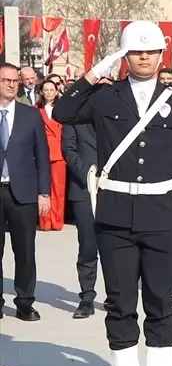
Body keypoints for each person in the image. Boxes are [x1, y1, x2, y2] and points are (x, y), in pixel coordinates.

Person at [53, 21, 172, 366]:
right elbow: (62, 110)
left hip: (163, 215)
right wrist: (94, 73)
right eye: (136, 52)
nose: (145, 57)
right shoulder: (106, 99)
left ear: (161, 56)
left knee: (162, 301)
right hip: (115, 218)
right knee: (121, 302)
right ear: (125, 56)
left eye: (152, 52)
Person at [0, 62, 51, 321]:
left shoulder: (30, 115)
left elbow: (42, 156)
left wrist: (44, 192)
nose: (11, 84)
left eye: (14, 81)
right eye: (5, 80)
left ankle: (24, 301)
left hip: (23, 193)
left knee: (25, 251)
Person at [61, 114, 100, 318]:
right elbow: (69, 149)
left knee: (119, 246)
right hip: (84, 188)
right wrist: (89, 174)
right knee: (87, 245)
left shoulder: (116, 116)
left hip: (116, 189)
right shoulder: (74, 119)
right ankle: (87, 296)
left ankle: (116, 295)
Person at [36, 79, 67, 231]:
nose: (48, 92)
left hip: (59, 154)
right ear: (41, 92)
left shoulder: (62, 108)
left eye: (51, 90)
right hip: (41, 153)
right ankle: (45, 222)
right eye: (46, 90)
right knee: (43, 189)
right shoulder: (36, 109)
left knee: (58, 190)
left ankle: (57, 221)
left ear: (56, 91)